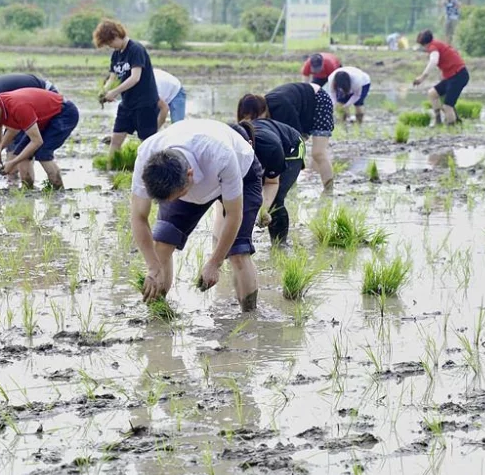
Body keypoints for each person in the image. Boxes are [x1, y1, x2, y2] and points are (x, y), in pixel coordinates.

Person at [130, 119, 263, 312]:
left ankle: (249, 319)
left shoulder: (221, 155)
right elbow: (138, 216)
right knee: (162, 245)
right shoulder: (147, 155)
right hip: (185, 176)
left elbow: (234, 216)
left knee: (238, 252)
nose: (169, 204)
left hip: (243, 173)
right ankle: (159, 316)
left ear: (190, 175)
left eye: (176, 197)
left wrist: (214, 263)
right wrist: (152, 266)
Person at [0, 88, 79, 189]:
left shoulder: (18, 107)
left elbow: (37, 141)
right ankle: (28, 189)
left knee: (43, 153)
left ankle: (58, 190)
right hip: (42, 119)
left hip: (64, 113)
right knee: (21, 152)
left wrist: (12, 162)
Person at [239, 83, 334, 190]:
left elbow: (297, 141)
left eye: (254, 118)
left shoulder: (281, 108)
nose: (254, 123)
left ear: (262, 111)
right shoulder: (265, 114)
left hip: (318, 99)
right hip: (299, 108)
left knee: (318, 153)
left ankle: (329, 191)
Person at [235, 104, 305, 245]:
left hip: (291, 147)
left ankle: (279, 245)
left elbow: (272, 182)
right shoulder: (232, 149)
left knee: (275, 199)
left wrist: (263, 208)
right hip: (265, 142)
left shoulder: (269, 146)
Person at [93, 19, 159, 160]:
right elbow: (112, 77)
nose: (110, 46)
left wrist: (115, 92)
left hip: (145, 104)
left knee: (147, 142)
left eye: (110, 43)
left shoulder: (136, 49)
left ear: (116, 35)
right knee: (116, 139)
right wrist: (104, 91)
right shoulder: (116, 54)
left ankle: (154, 171)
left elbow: (135, 78)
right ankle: (110, 169)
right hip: (127, 104)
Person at [413, 29, 469, 125]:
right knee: (432, 93)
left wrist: (422, 77)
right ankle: (438, 121)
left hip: (458, 76)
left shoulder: (432, 47)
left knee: (447, 106)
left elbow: (434, 61)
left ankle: (452, 128)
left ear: (424, 44)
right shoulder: (437, 44)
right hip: (452, 76)